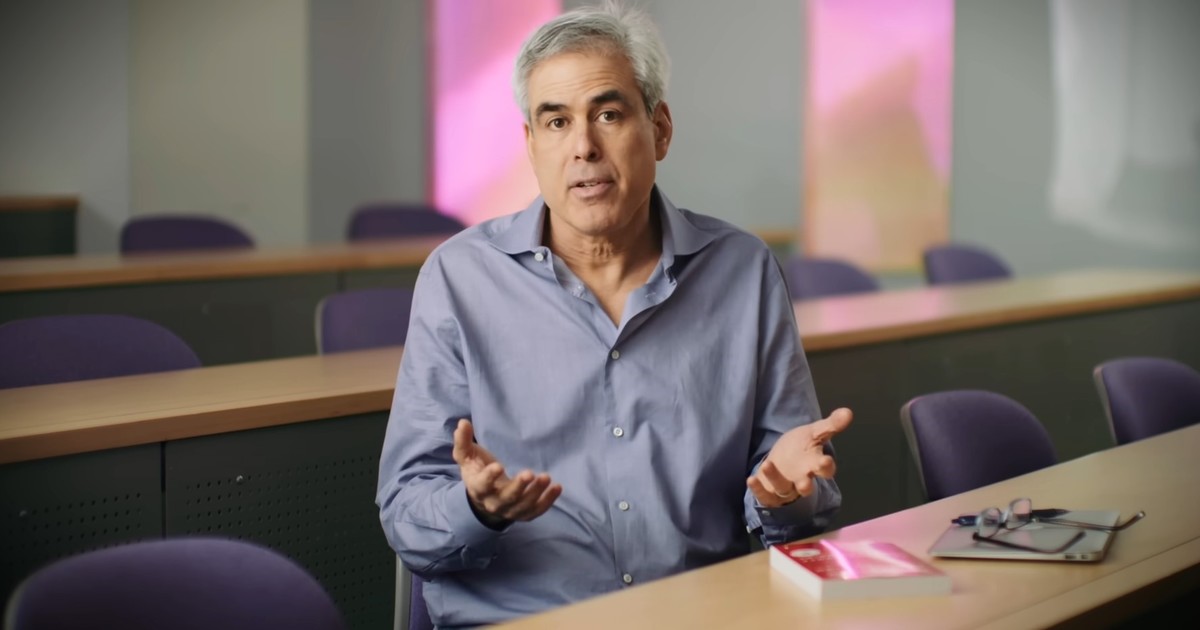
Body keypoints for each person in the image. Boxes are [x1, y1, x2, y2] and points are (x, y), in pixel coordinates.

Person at [376, 3, 853, 628]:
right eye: (556, 121)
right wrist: (477, 507)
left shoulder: (743, 270)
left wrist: (784, 494)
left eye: (608, 114)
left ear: (660, 129)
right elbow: (407, 513)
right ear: (530, 144)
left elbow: (804, 500)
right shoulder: (459, 278)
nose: (583, 147)